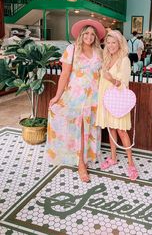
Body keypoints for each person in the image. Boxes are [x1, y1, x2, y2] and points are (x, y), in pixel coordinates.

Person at [46, 19, 105, 183]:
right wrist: (57, 96)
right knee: (79, 128)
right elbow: (64, 75)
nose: (89, 36)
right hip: (75, 96)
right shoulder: (71, 50)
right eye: (86, 33)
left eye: (93, 34)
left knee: (90, 127)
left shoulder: (99, 52)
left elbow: (102, 74)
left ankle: (86, 156)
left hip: (93, 97)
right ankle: (80, 164)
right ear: (81, 34)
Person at [96, 30, 139, 181]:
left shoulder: (124, 60)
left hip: (118, 100)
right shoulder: (106, 58)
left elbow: (124, 85)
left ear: (120, 43)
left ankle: (131, 163)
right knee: (111, 128)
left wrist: (111, 79)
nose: (110, 45)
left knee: (121, 131)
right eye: (108, 42)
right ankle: (113, 158)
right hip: (106, 99)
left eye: (114, 42)